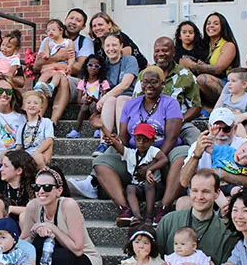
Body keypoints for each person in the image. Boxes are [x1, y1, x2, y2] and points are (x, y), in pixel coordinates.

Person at [71, 66, 187, 226]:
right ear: (141, 84)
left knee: (184, 154)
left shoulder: (170, 103)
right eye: (145, 82)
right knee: (101, 162)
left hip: (164, 157)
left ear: (162, 84)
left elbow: (172, 137)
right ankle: (126, 210)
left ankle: (163, 208)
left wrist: (151, 164)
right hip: (135, 157)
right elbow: (123, 137)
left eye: (154, 82)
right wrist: (105, 131)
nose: (149, 86)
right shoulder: (131, 105)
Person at [92, 120, 168, 226]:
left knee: (149, 182)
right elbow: (114, 142)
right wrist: (103, 127)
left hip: (155, 188)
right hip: (138, 188)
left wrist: (150, 169)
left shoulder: (152, 151)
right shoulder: (130, 153)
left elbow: (164, 159)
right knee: (130, 188)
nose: (141, 143)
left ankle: (149, 216)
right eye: (138, 139)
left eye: (145, 140)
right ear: (134, 140)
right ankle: (136, 216)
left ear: (151, 141)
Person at [134, 37, 202, 146]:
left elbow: (196, 106)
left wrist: (179, 120)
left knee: (197, 140)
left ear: (173, 52)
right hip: (149, 123)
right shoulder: (144, 74)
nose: (160, 54)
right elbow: (136, 103)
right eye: (157, 51)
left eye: (165, 50)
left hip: (179, 123)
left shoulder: (185, 75)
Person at [35, 8, 95, 126]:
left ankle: (53, 121)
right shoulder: (48, 40)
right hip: (51, 76)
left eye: (78, 20)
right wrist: (58, 57)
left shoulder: (85, 42)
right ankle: (37, 120)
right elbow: (37, 65)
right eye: (71, 18)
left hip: (73, 81)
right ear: (65, 20)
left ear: (83, 27)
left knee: (63, 78)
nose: (73, 22)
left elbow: (79, 67)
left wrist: (53, 65)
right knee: (44, 81)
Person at [179, 108, 247, 195]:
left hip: (236, 197)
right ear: (209, 127)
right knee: (182, 203)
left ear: (235, 128)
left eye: (226, 129)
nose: (221, 133)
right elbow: (184, 182)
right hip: (203, 196)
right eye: (217, 128)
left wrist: (223, 174)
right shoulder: (197, 145)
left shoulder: (245, 145)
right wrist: (196, 155)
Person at [180, 12, 240, 112]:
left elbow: (218, 69)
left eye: (216, 23)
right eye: (208, 23)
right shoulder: (204, 44)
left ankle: (217, 108)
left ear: (223, 26)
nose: (211, 26)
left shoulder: (228, 45)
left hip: (225, 84)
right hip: (204, 84)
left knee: (202, 79)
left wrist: (192, 65)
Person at [92, 33, 138, 157]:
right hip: (110, 99)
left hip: (129, 96)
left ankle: (122, 140)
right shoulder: (103, 64)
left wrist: (105, 97)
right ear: (103, 47)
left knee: (120, 99)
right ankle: (104, 141)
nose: (110, 48)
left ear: (121, 46)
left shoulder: (130, 60)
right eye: (107, 45)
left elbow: (125, 84)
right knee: (111, 100)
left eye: (114, 45)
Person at [208, 138, 247, 210]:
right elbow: (207, 148)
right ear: (241, 145)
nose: (241, 156)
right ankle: (223, 208)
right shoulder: (225, 150)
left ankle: (227, 209)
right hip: (216, 183)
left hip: (231, 187)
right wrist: (212, 136)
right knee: (214, 190)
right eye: (243, 150)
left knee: (238, 191)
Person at [66, 54, 110, 139]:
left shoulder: (103, 83)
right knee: (84, 106)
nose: (93, 68)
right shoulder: (83, 82)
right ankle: (76, 130)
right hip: (86, 109)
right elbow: (79, 99)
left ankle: (97, 129)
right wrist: (85, 100)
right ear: (86, 66)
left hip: (98, 108)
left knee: (93, 104)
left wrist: (94, 99)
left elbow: (104, 99)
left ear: (100, 68)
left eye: (96, 66)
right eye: (90, 65)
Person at [33, 19, 75, 98]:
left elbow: (71, 56)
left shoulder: (68, 42)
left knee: (58, 74)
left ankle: (51, 86)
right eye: (48, 30)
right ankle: (38, 86)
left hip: (63, 64)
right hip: (51, 64)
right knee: (46, 73)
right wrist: (45, 56)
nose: (50, 32)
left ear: (61, 30)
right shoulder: (48, 42)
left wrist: (70, 66)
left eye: (53, 30)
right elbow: (47, 53)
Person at [15, 90, 54, 169]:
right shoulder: (22, 126)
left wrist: (37, 152)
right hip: (25, 155)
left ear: (41, 107)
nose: (32, 105)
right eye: (29, 103)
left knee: (37, 157)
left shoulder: (46, 122)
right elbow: (19, 145)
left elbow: (49, 140)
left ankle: (42, 175)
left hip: (40, 154)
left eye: (36, 103)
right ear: (24, 106)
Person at [213, 68, 247, 137]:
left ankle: (245, 140)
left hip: (243, 123)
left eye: (233, 81)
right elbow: (217, 111)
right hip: (225, 123)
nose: (229, 84)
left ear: (244, 84)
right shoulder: (225, 98)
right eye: (228, 81)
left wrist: (241, 115)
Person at [0, 149, 38, 226]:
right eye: (2, 165)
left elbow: (39, 209)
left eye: (5, 166)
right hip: (4, 230)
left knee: (23, 216)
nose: (1, 169)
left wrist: (12, 209)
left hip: (29, 228)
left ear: (19, 171)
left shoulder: (33, 187)